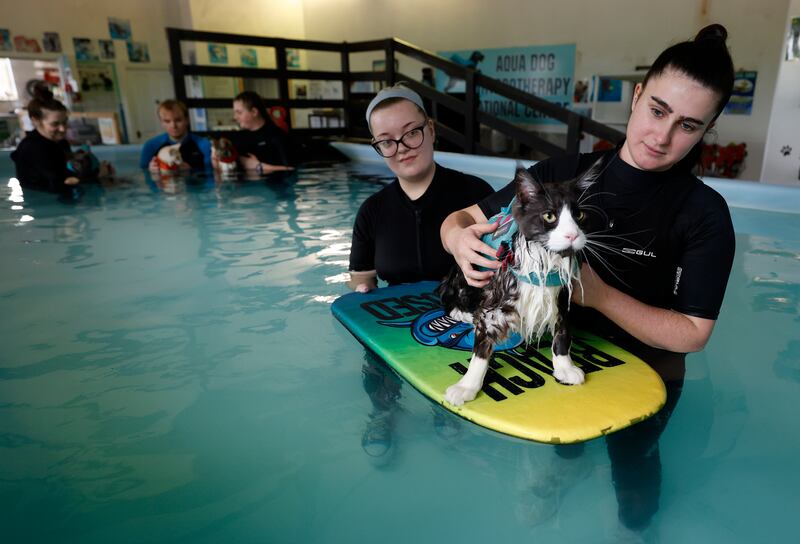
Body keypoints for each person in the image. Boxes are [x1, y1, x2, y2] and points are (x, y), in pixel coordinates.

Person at [440, 24, 736, 532]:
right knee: (564, 448)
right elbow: (462, 219)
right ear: (638, 96)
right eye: (658, 110)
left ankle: (637, 523)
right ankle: (564, 475)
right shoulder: (565, 171)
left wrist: (596, 295)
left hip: (648, 372)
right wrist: (457, 241)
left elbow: (693, 333)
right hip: (560, 356)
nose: (662, 137)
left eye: (688, 125)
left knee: (635, 485)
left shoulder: (705, 213)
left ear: (706, 130)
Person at [348, 84, 494, 461]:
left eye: (411, 132)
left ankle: (448, 410)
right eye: (387, 141)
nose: (402, 148)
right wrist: (365, 299)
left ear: (430, 129)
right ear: (378, 148)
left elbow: (501, 265)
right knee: (373, 354)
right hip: (401, 319)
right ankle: (382, 413)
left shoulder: (473, 194)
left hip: (464, 315)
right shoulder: (372, 212)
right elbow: (363, 282)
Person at [11, 86, 112, 194]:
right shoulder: (33, 148)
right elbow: (60, 184)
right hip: (45, 201)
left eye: (64, 122)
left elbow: (65, 172)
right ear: (36, 121)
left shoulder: (60, 142)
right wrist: (98, 173)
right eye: (55, 124)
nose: (63, 129)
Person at [229, 91, 292, 175]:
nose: (235, 117)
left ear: (254, 112)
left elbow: (290, 170)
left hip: (274, 185)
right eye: (235, 113)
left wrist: (258, 167)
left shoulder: (277, 136)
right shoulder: (238, 139)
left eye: (239, 112)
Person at [139, 99, 212, 173]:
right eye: (167, 121)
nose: (173, 126)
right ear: (161, 123)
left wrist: (191, 170)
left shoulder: (204, 144)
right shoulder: (150, 146)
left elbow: (210, 174)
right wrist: (151, 171)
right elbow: (143, 174)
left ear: (187, 120)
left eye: (178, 120)